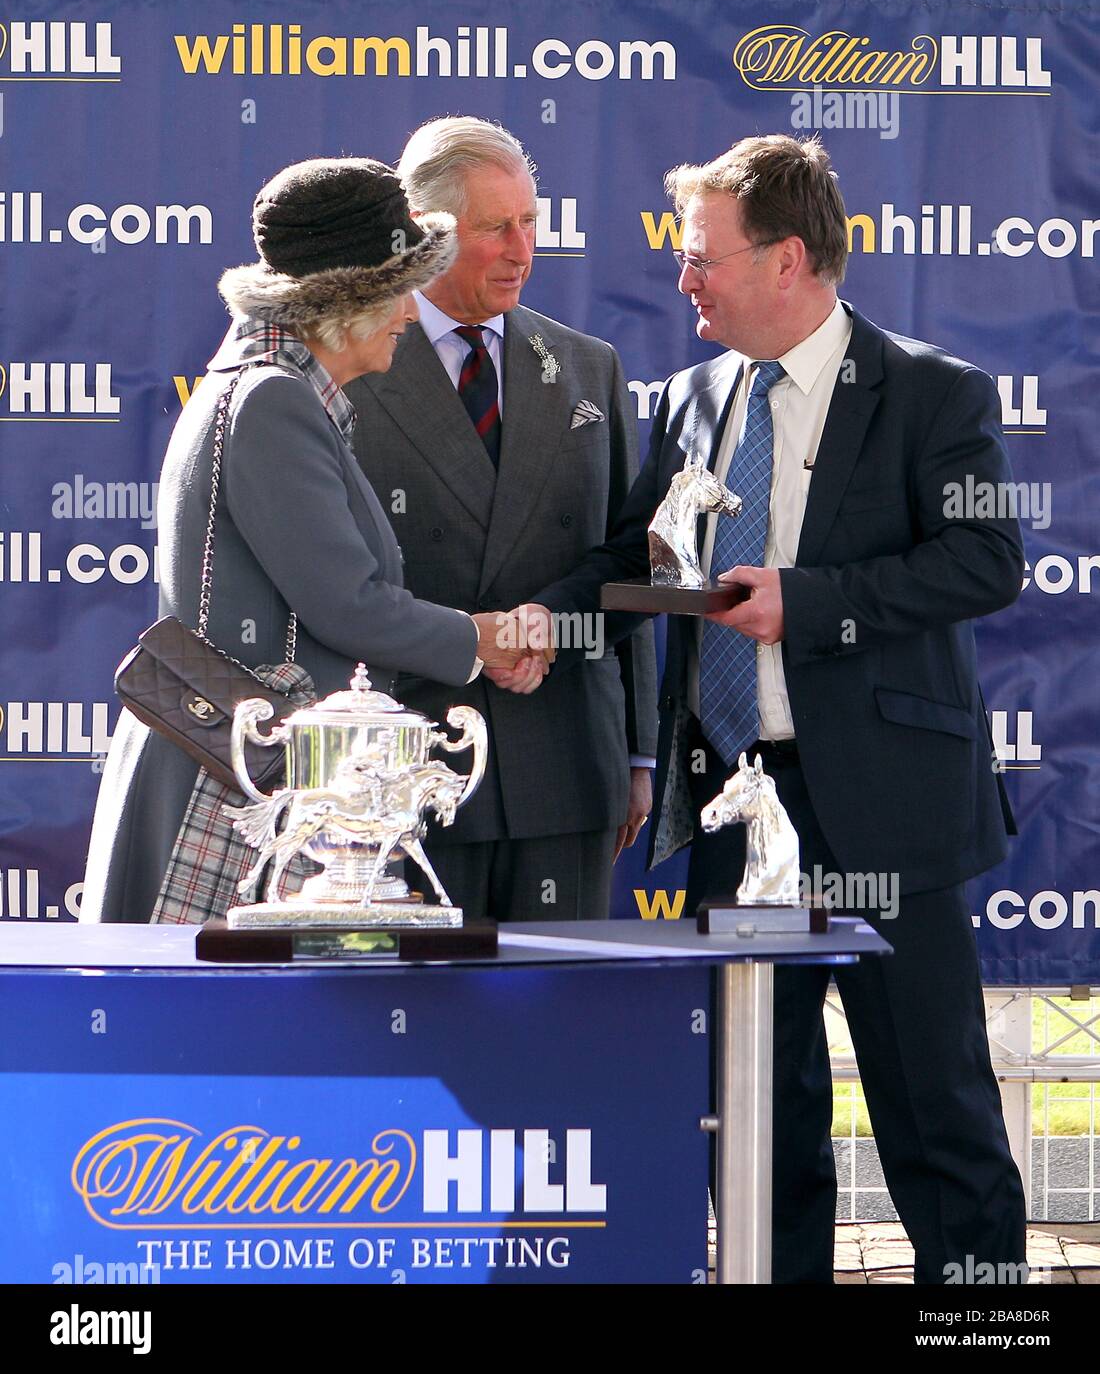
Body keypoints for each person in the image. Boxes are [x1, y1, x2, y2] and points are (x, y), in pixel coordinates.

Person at [527, 135, 1027, 1282]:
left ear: (788, 257)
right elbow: (632, 553)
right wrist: (523, 627)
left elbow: (986, 559)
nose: (682, 279)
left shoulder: (931, 393)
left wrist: (807, 602)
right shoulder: (694, 396)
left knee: (932, 1109)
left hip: (883, 813)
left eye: (701, 256)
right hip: (729, 808)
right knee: (757, 1111)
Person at [81, 157, 539, 925]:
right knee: (226, 1033)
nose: (409, 311)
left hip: (248, 774)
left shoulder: (269, 389)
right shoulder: (273, 400)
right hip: (236, 790)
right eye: (400, 288)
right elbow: (347, 606)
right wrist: (479, 639)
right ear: (347, 302)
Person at [344, 118, 657, 921]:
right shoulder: (348, 365)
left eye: (530, 222)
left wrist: (636, 752)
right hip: (409, 775)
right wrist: (480, 643)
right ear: (425, 232)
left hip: (567, 771)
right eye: (495, 229)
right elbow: (339, 584)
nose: (522, 250)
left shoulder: (589, 364)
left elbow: (640, 558)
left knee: (558, 1031)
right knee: (416, 1032)